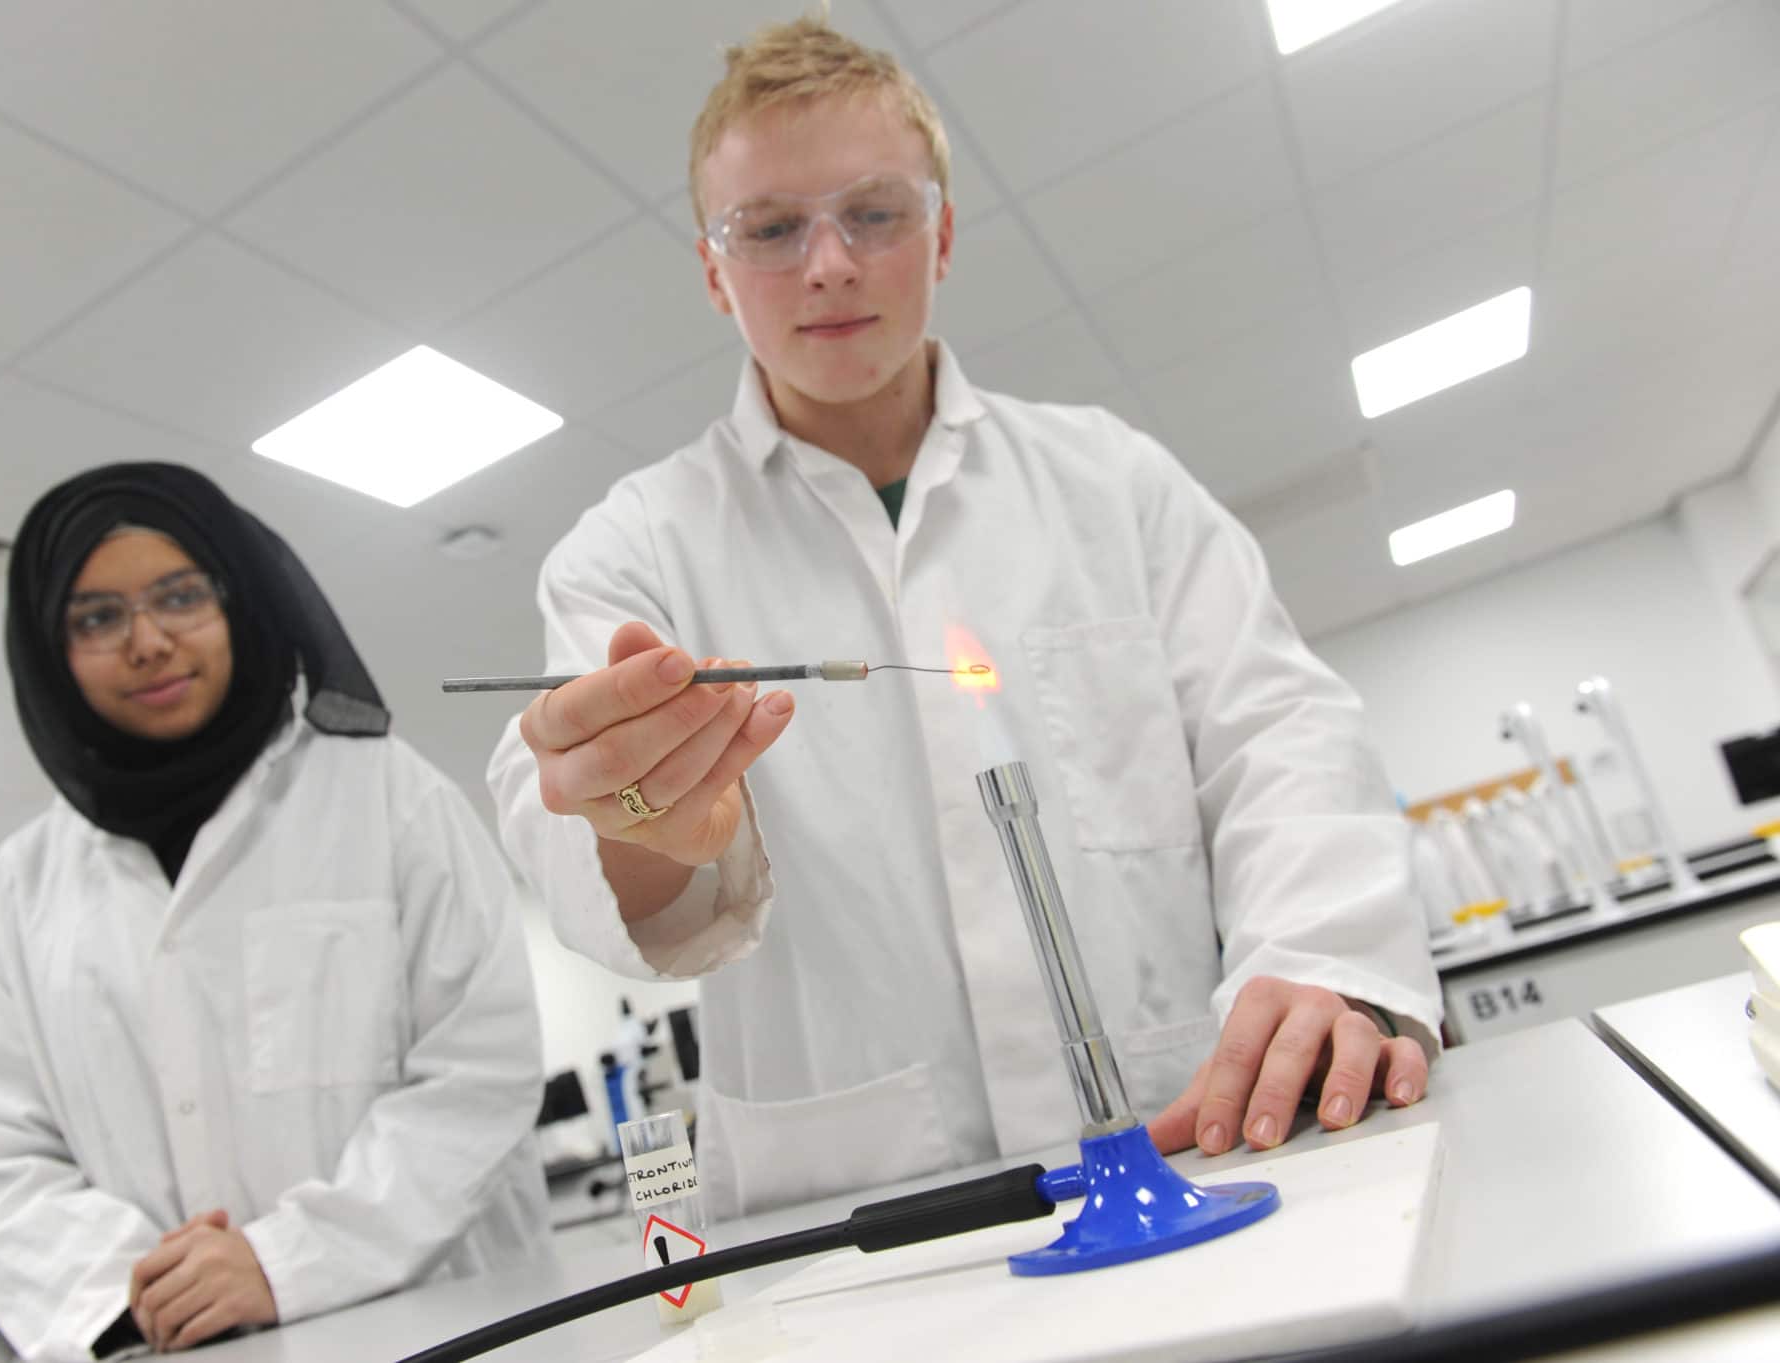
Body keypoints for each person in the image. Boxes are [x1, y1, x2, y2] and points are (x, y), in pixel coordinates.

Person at [488, 16, 1442, 1220]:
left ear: (938, 234)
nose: (828, 263)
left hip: (1195, 1143)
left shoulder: (1112, 482)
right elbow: (589, 846)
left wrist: (1317, 958)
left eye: (873, 213)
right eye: (769, 228)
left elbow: (1282, 738)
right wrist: (643, 812)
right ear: (712, 270)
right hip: (860, 1219)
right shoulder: (631, 552)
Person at [0, 464, 548, 1360]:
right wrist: (135, 1289)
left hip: (437, 1329)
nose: (147, 642)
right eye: (96, 617)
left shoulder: (390, 796)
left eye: (180, 596)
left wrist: (286, 1261)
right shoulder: (25, 885)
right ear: (50, 647)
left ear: (239, 598)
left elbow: (479, 1073)